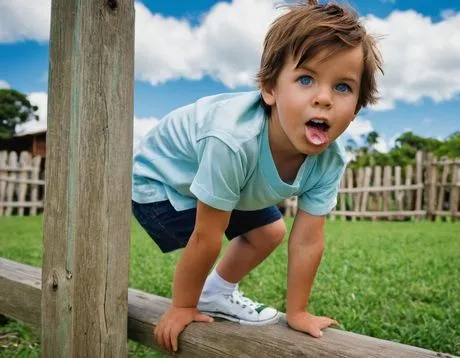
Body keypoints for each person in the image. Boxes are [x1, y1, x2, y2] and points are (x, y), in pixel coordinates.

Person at [132, 0, 383, 353]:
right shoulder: (233, 141)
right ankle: (195, 299)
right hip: (159, 184)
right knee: (213, 232)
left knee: (270, 231)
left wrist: (297, 312)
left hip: (213, 179)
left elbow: (308, 239)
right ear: (270, 89)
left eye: (343, 87)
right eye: (306, 78)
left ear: (357, 108)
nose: (324, 98)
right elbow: (206, 236)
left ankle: (215, 293)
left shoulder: (329, 160)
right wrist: (182, 307)